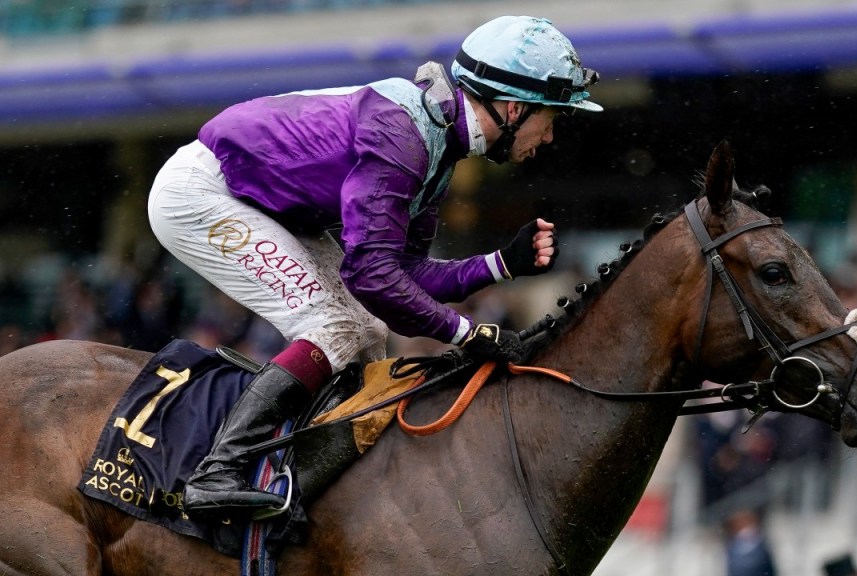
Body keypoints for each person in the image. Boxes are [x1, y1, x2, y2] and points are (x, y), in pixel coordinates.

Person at [146, 15, 602, 518]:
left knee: (367, 333)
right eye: (552, 118)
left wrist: (500, 265)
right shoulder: (404, 137)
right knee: (337, 328)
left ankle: (305, 475)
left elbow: (404, 274)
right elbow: (371, 276)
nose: (550, 136)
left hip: (261, 203)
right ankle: (217, 472)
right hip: (202, 194)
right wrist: (466, 333)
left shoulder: (438, 142)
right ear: (514, 107)